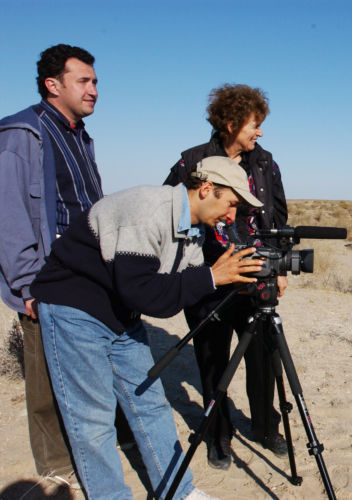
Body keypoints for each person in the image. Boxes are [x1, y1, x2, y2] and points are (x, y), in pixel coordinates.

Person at [30, 156, 265, 499]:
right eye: (231, 203)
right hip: (75, 308)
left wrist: (235, 287)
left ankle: (178, 490)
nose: (232, 216)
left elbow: (189, 293)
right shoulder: (149, 209)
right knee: (93, 421)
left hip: (121, 315)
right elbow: (145, 294)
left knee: (150, 404)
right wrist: (212, 276)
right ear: (206, 189)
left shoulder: (193, 232)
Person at [0, 43, 115, 489]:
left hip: (87, 274)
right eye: (84, 81)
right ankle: (55, 469)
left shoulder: (78, 134)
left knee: (89, 366)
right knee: (45, 381)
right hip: (46, 279)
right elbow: (9, 219)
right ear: (54, 84)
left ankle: (95, 446)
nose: (94, 90)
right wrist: (29, 286)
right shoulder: (20, 135)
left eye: (95, 81)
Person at [164, 84, 289, 470]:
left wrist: (279, 267)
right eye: (255, 124)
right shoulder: (192, 162)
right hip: (209, 280)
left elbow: (278, 218)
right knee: (213, 361)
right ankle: (218, 435)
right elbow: (168, 212)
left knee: (264, 357)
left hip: (254, 278)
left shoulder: (264, 162)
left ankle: (265, 427)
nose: (261, 133)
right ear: (231, 123)